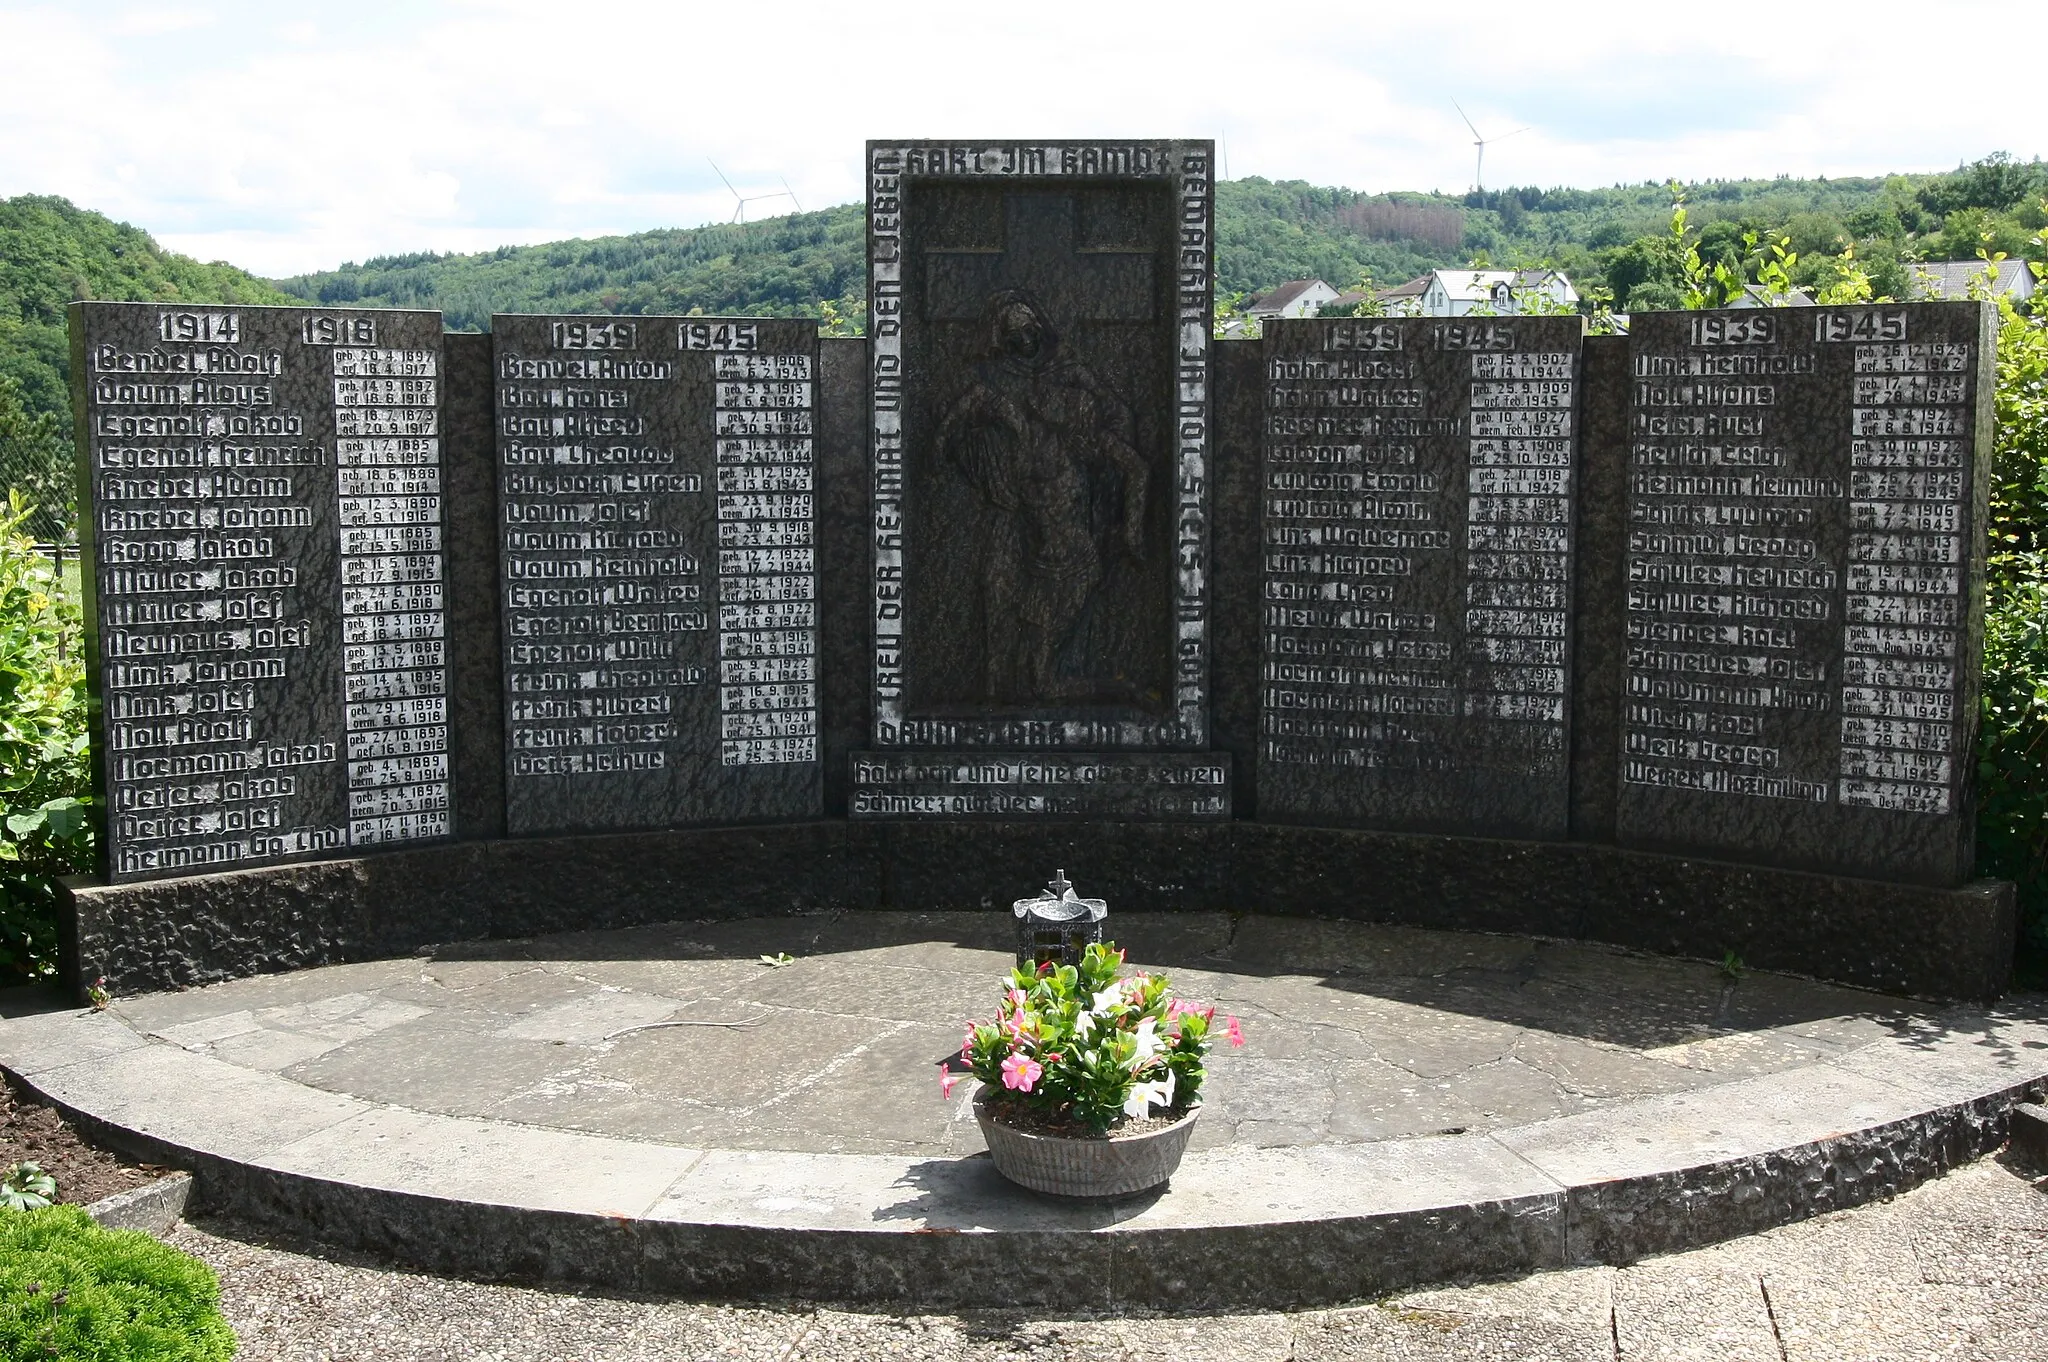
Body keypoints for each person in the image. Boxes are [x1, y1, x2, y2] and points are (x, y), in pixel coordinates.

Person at [934, 289, 1149, 704]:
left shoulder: (1071, 379)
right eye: (1014, 333)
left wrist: (1130, 526)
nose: (1025, 339)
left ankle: (1116, 690)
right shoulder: (997, 389)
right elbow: (948, 436)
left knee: (1041, 671)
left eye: (1031, 329)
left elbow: (1122, 430)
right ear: (1002, 338)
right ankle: (1001, 697)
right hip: (1017, 521)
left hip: (1066, 545)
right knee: (1005, 621)